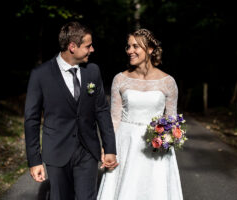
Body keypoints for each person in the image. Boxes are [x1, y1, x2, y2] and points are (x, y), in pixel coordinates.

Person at [24, 21, 118, 200]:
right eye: (88, 46)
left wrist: (110, 147)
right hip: (57, 152)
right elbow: (32, 120)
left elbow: (102, 111)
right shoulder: (40, 75)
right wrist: (34, 160)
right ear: (72, 47)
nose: (92, 50)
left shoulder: (92, 71)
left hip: (88, 151)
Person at [97, 29, 183, 200]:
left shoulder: (168, 82)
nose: (130, 51)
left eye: (135, 46)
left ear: (150, 49)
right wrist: (107, 147)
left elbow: (172, 121)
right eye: (128, 47)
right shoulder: (120, 79)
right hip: (126, 143)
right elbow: (114, 118)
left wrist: (167, 137)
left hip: (155, 147)